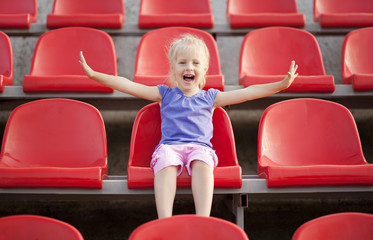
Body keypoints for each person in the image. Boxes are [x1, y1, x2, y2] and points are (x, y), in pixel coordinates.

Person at [79, 34, 298, 219]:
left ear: (204, 69)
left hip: (199, 147)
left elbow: (248, 93)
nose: (188, 67)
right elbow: (127, 85)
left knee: (203, 162)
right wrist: (93, 74)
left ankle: (203, 218)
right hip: (170, 147)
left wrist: (281, 85)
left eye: (195, 63)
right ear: (173, 69)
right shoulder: (164, 94)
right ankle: (165, 220)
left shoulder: (210, 97)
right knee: (165, 163)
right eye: (182, 62)